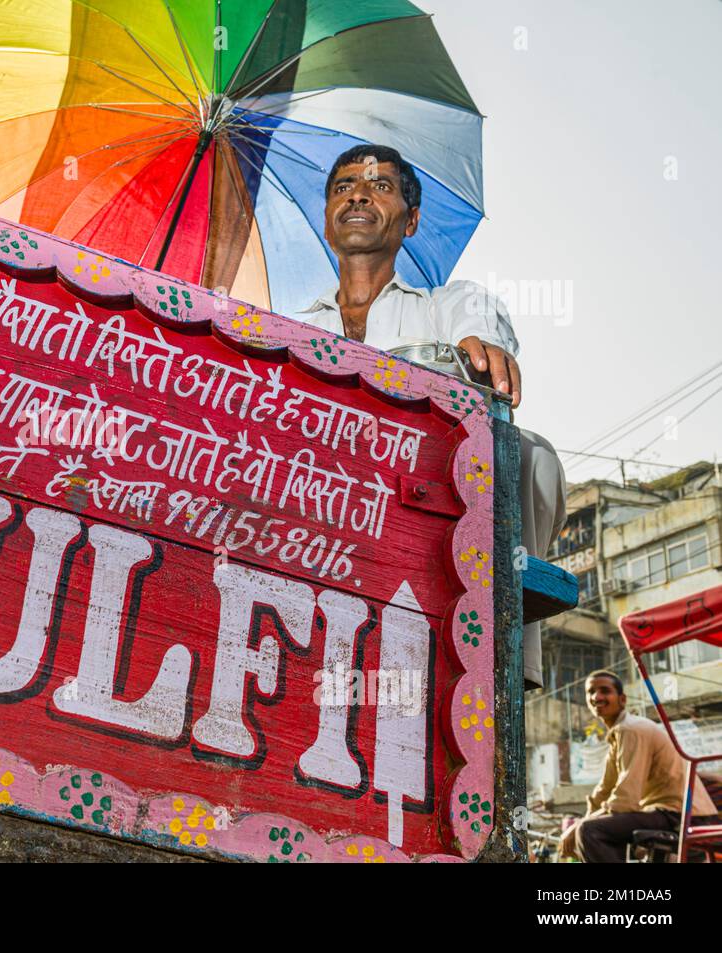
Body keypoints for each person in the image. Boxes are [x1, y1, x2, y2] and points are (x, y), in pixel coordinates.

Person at [298, 144, 566, 690]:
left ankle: (503, 661)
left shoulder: (446, 304)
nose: (358, 196)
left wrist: (478, 348)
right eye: (344, 186)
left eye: (380, 186)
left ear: (411, 219)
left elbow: (480, 329)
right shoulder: (287, 326)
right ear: (328, 218)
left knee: (528, 453)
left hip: (424, 500)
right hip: (320, 506)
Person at [559, 670, 718, 862]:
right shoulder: (618, 734)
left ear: (622, 699)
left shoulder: (631, 729)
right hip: (664, 812)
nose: (596, 697)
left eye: (605, 691)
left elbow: (626, 798)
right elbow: (604, 790)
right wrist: (579, 822)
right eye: (591, 692)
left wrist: (580, 826)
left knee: (590, 831)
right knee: (590, 828)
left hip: (680, 814)